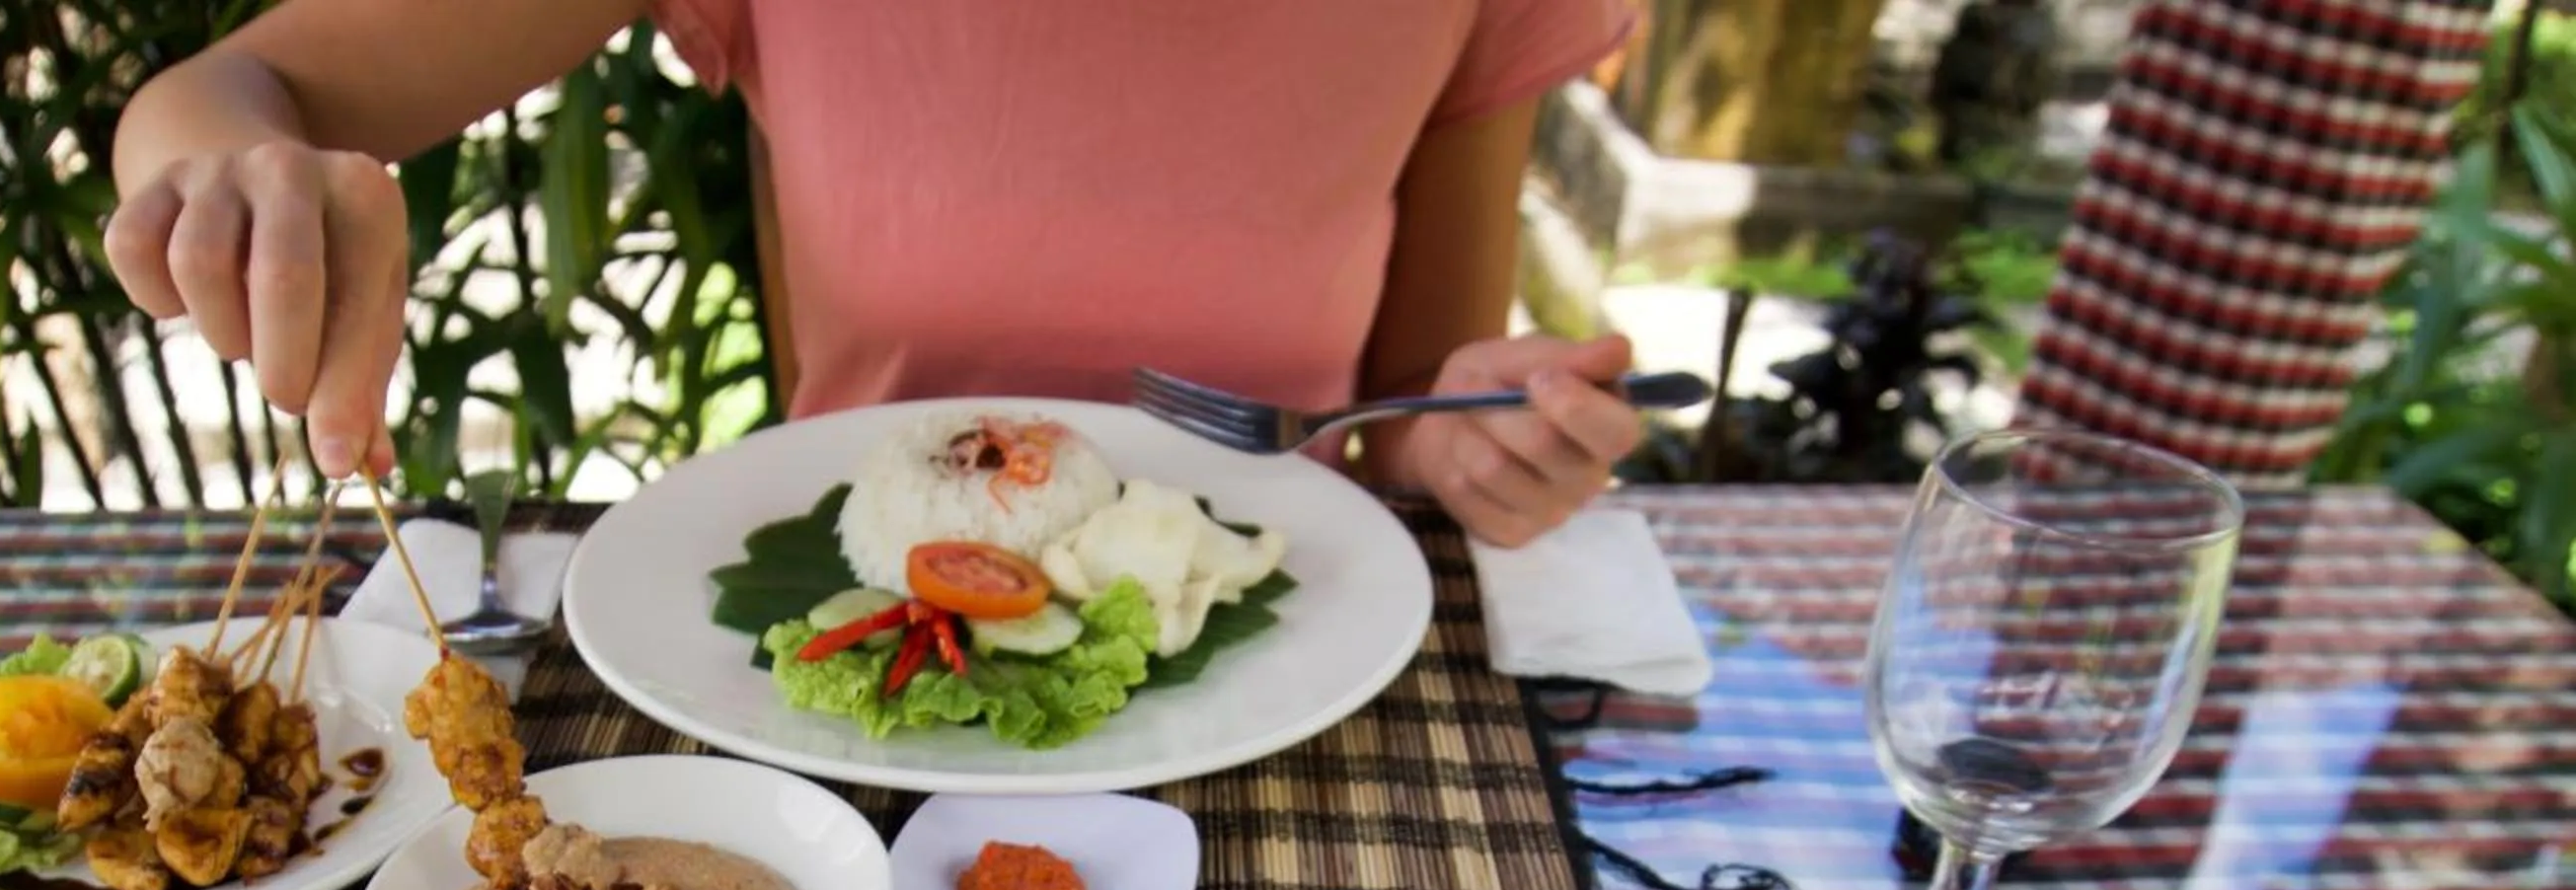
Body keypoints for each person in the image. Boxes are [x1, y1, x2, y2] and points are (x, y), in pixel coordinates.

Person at [106, 0, 1646, 546]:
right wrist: (232, 183)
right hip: (854, 659)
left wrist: (1466, 431)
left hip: (1282, 655)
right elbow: (242, 92)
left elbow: (1416, 409)